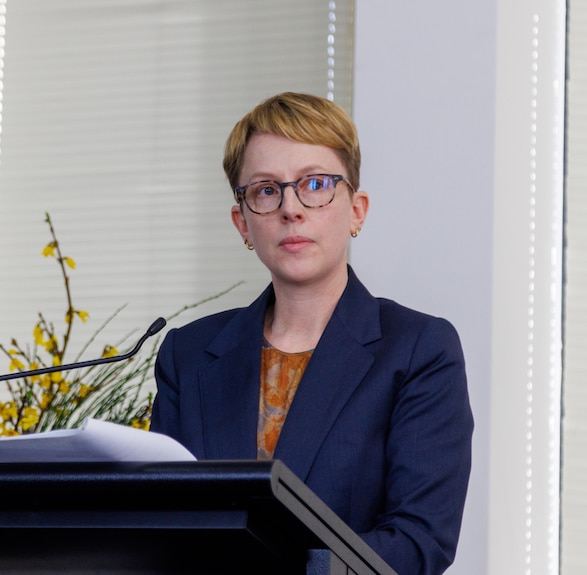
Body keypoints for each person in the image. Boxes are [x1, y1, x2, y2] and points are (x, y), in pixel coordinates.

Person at [150, 92, 473, 575]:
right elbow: (161, 522)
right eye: (265, 190)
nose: (291, 209)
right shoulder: (189, 354)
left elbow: (418, 541)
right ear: (242, 222)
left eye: (315, 184)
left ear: (357, 209)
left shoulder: (419, 350)